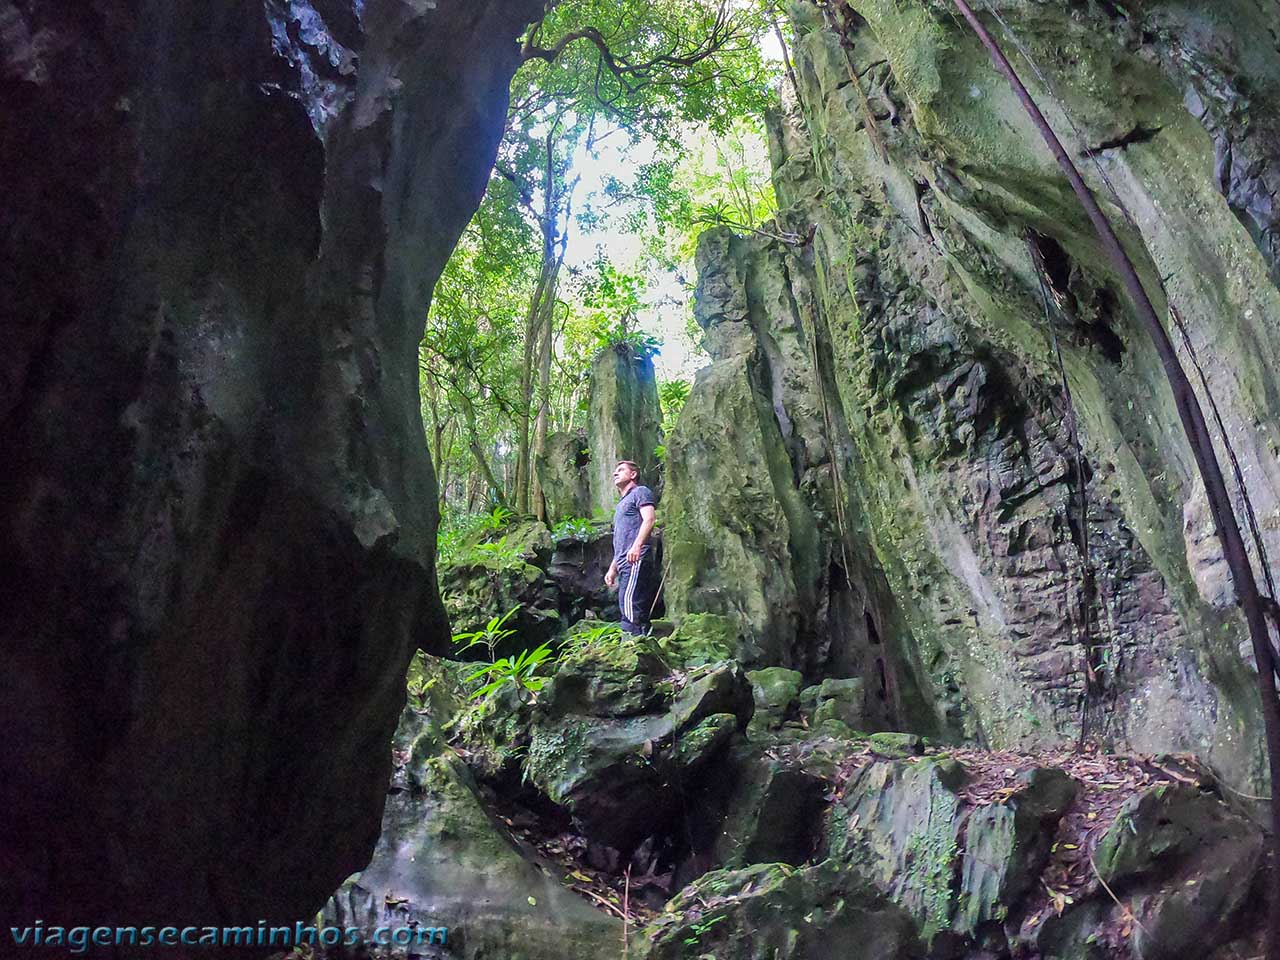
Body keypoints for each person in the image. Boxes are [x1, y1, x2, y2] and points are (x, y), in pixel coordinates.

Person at [604, 460, 657, 635]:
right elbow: (621, 539)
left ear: (633, 474)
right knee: (629, 601)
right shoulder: (621, 505)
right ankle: (642, 640)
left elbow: (649, 519)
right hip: (624, 560)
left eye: (621, 470)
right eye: (615, 470)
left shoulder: (640, 492)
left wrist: (637, 546)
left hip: (636, 557)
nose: (615, 473)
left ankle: (632, 642)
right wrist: (613, 568)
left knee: (629, 602)